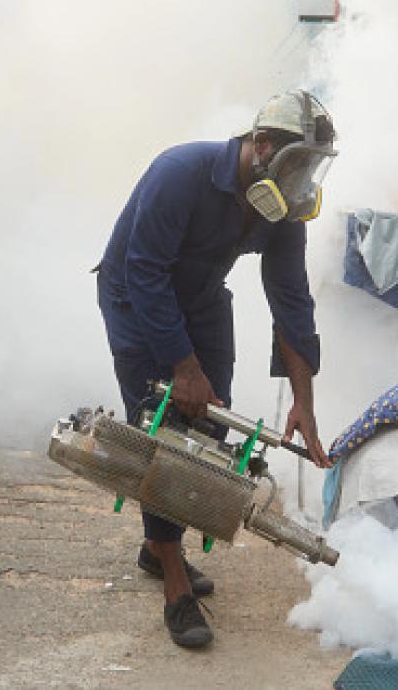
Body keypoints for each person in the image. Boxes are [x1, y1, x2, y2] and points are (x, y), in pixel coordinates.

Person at [94, 90, 336, 649]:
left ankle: (157, 543)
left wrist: (304, 400)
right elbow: (144, 272)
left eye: (312, 166)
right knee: (166, 432)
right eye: (297, 162)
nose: (303, 177)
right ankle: (175, 584)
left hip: (201, 299)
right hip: (135, 295)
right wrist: (182, 366)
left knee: (210, 426)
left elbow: (291, 299)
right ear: (262, 146)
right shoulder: (180, 172)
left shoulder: (282, 209)